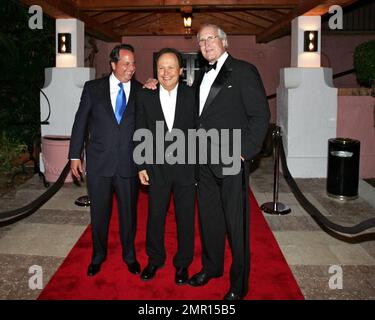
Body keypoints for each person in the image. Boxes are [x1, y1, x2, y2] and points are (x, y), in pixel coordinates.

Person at [188, 24, 270, 300]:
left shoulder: (244, 71)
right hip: (203, 161)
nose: (206, 44)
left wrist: (243, 152)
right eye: (202, 41)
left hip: (231, 159)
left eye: (211, 38)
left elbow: (260, 117)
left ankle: (239, 284)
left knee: (237, 226)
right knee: (209, 219)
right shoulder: (201, 76)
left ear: (224, 42)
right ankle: (212, 268)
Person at [69, 44, 142, 277]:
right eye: (126, 64)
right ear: (113, 65)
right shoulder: (93, 89)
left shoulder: (142, 91)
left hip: (128, 164)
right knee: (99, 214)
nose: (131, 68)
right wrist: (74, 155)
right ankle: (98, 256)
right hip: (100, 164)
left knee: (128, 215)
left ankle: (129, 256)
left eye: (133, 63)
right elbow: (80, 122)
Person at [135, 48, 196, 285]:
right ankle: (155, 259)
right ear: (155, 72)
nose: (166, 72)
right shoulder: (145, 95)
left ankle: (182, 264)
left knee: (185, 218)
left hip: (186, 168)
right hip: (156, 168)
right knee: (155, 216)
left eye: (171, 67)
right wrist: (141, 164)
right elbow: (140, 130)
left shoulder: (194, 95)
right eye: (161, 67)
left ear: (181, 71)